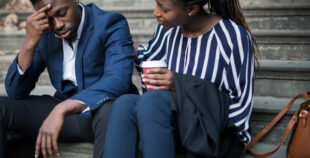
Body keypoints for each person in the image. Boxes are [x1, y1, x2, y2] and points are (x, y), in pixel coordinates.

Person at [0, 0, 137, 157]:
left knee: (112, 110)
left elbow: (118, 80)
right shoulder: (45, 34)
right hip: (66, 116)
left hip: (100, 113)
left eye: (62, 13)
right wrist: (29, 43)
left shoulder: (110, 23)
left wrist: (62, 108)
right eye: (49, 19)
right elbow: (16, 91)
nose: (57, 25)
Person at [104, 0, 257, 157]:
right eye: (156, 4)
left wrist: (177, 83)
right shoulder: (167, 31)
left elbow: (239, 102)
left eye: (164, 9)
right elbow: (150, 58)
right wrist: (119, 40)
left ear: (191, 9)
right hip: (173, 123)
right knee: (125, 103)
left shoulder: (232, 36)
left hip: (210, 132)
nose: (155, 13)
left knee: (152, 101)